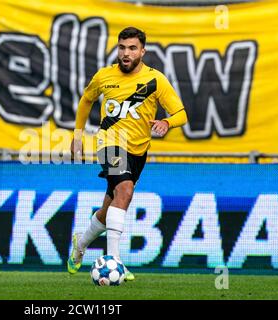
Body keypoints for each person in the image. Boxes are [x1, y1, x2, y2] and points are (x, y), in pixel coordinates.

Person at [67, 26, 188, 280]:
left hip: (138, 151)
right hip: (109, 143)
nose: (126, 53)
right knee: (125, 190)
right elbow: (86, 99)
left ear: (142, 51)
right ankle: (114, 261)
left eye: (132, 48)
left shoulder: (156, 80)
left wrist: (167, 123)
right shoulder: (104, 76)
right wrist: (77, 135)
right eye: (122, 47)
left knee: (109, 207)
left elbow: (181, 114)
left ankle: (80, 245)